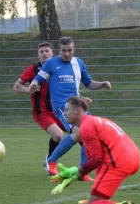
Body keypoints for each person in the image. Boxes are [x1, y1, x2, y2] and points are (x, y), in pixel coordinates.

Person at [28, 36, 111, 178]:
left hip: (78, 105)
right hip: (62, 106)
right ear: (59, 50)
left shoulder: (78, 63)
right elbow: (38, 79)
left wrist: (102, 84)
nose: (67, 54)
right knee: (78, 132)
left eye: (70, 50)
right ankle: (51, 161)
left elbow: (89, 83)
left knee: (91, 133)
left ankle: (82, 172)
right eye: (64, 51)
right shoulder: (51, 63)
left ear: (74, 49)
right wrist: (34, 84)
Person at [50, 96, 140, 204]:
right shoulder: (95, 121)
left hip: (119, 161)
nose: (64, 113)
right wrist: (76, 174)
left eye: (67, 110)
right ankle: (98, 198)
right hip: (134, 157)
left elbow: (96, 159)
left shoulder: (86, 127)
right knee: (98, 184)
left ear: (77, 111)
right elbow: (99, 159)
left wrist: (77, 173)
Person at [13, 42, 65, 171]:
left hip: (58, 110)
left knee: (79, 131)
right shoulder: (33, 69)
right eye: (41, 52)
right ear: (38, 55)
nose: (44, 54)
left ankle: (94, 161)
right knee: (58, 135)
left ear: (52, 53)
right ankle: (50, 162)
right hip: (41, 112)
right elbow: (16, 86)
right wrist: (29, 90)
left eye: (47, 51)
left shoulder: (59, 68)